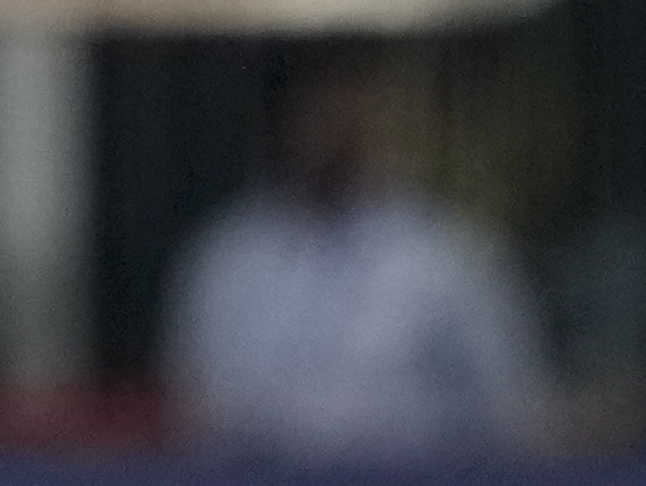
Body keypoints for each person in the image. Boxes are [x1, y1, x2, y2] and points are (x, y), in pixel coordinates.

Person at [164, 42, 552, 464]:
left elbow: (513, 410)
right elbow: (194, 413)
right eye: (317, 107)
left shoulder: (447, 255)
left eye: (349, 105)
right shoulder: (231, 255)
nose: (333, 126)